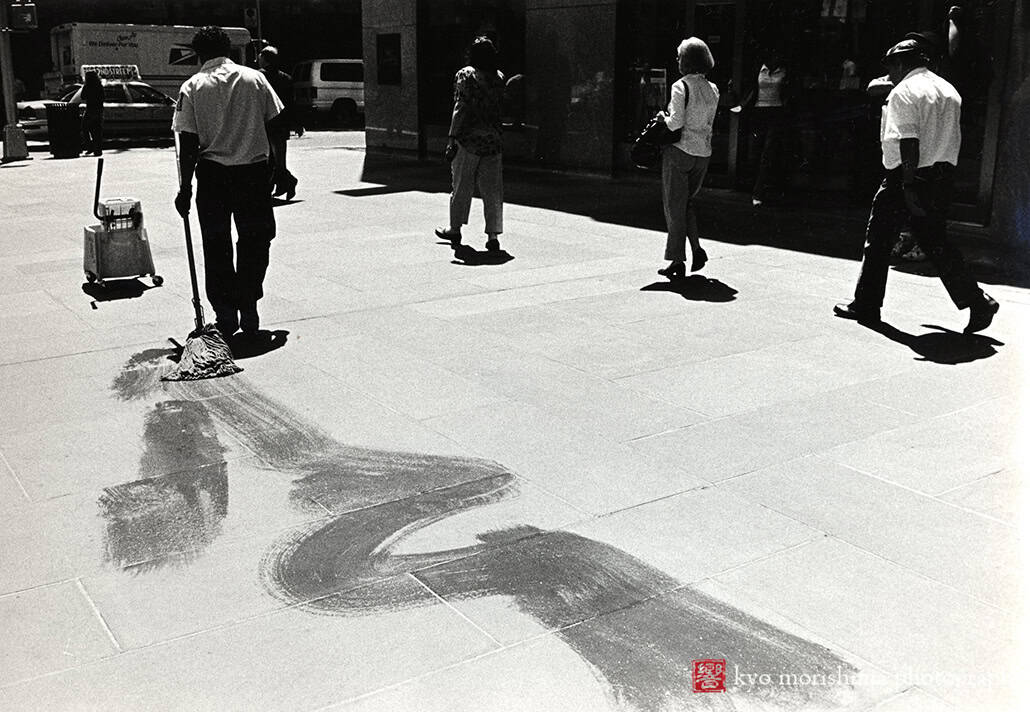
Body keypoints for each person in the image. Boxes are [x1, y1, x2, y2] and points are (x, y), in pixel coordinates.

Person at [833, 39, 998, 334]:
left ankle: (866, 304)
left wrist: (908, 185)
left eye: (890, 68)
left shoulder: (904, 92)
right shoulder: (949, 90)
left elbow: (909, 141)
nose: (889, 75)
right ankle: (977, 300)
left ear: (900, 64)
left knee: (879, 240)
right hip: (941, 175)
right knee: (935, 241)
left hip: (905, 176)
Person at [172, 26, 284, 338]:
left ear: (198, 55)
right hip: (253, 175)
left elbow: (188, 142)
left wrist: (184, 187)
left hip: (213, 177)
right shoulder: (254, 79)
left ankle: (225, 313)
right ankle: (248, 304)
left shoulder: (192, 86)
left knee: (216, 244)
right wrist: (281, 167)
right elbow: (276, 125)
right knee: (255, 240)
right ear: (228, 49)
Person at [656, 37, 719, 279]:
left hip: (680, 151)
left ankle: (676, 260)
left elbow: (676, 123)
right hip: (702, 153)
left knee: (674, 207)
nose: (677, 59)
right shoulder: (713, 89)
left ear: (686, 60)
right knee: (687, 204)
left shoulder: (680, 86)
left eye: (679, 56)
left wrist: (663, 118)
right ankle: (696, 249)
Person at [435, 36, 506, 252]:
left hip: (468, 140)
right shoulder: (499, 77)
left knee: (461, 186)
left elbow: (461, 107)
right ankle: (493, 234)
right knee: (492, 190)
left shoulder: (466, 74)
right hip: (493, 140)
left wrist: (451, 137)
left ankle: (455, 228)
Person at [734, 53, 791, 207]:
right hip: (758, 113)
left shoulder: (784, 71)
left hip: (776, 112)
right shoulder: (759, 69)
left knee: (768, 152)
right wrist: (742, 105)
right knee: (755, 152)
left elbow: (789, 93)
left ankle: (758, 192)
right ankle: (753, 185)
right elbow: (751, 89)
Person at [258, 45, 302, 200]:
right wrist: (296, 123)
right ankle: (282, 183)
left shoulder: (259, 77)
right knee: (278, 159)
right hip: (281, 125)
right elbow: (291, 104)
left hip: (265, 123)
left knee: (268, 159)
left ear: (265, 59)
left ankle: (284, 183)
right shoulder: (286, 78)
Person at [80, 70, 104, 157]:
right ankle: (98, 150)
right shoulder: (99, 86)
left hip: (90, 110)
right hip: (98, 111)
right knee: (97, 131)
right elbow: (103, 97)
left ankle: (90, 147)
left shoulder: (87, 86)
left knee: (85, 128)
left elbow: (82, 96)